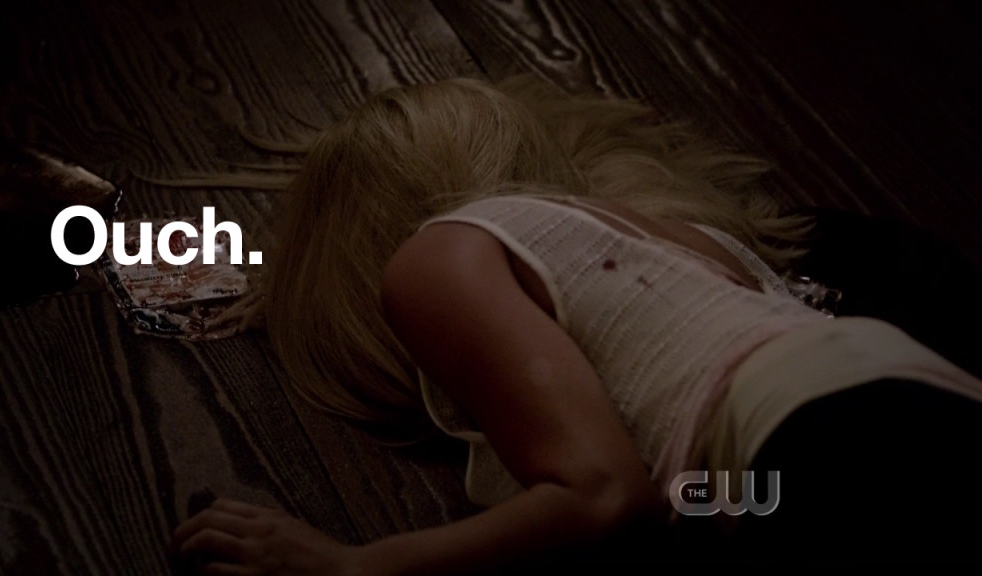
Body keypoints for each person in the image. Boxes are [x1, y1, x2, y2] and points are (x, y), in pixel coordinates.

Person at [167, 77, 982, 571]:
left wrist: (356, 566)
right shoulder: (681, 243)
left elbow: (604, 495)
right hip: (883, 393)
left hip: (816, 427)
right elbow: (685, 488)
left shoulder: (440, 256)